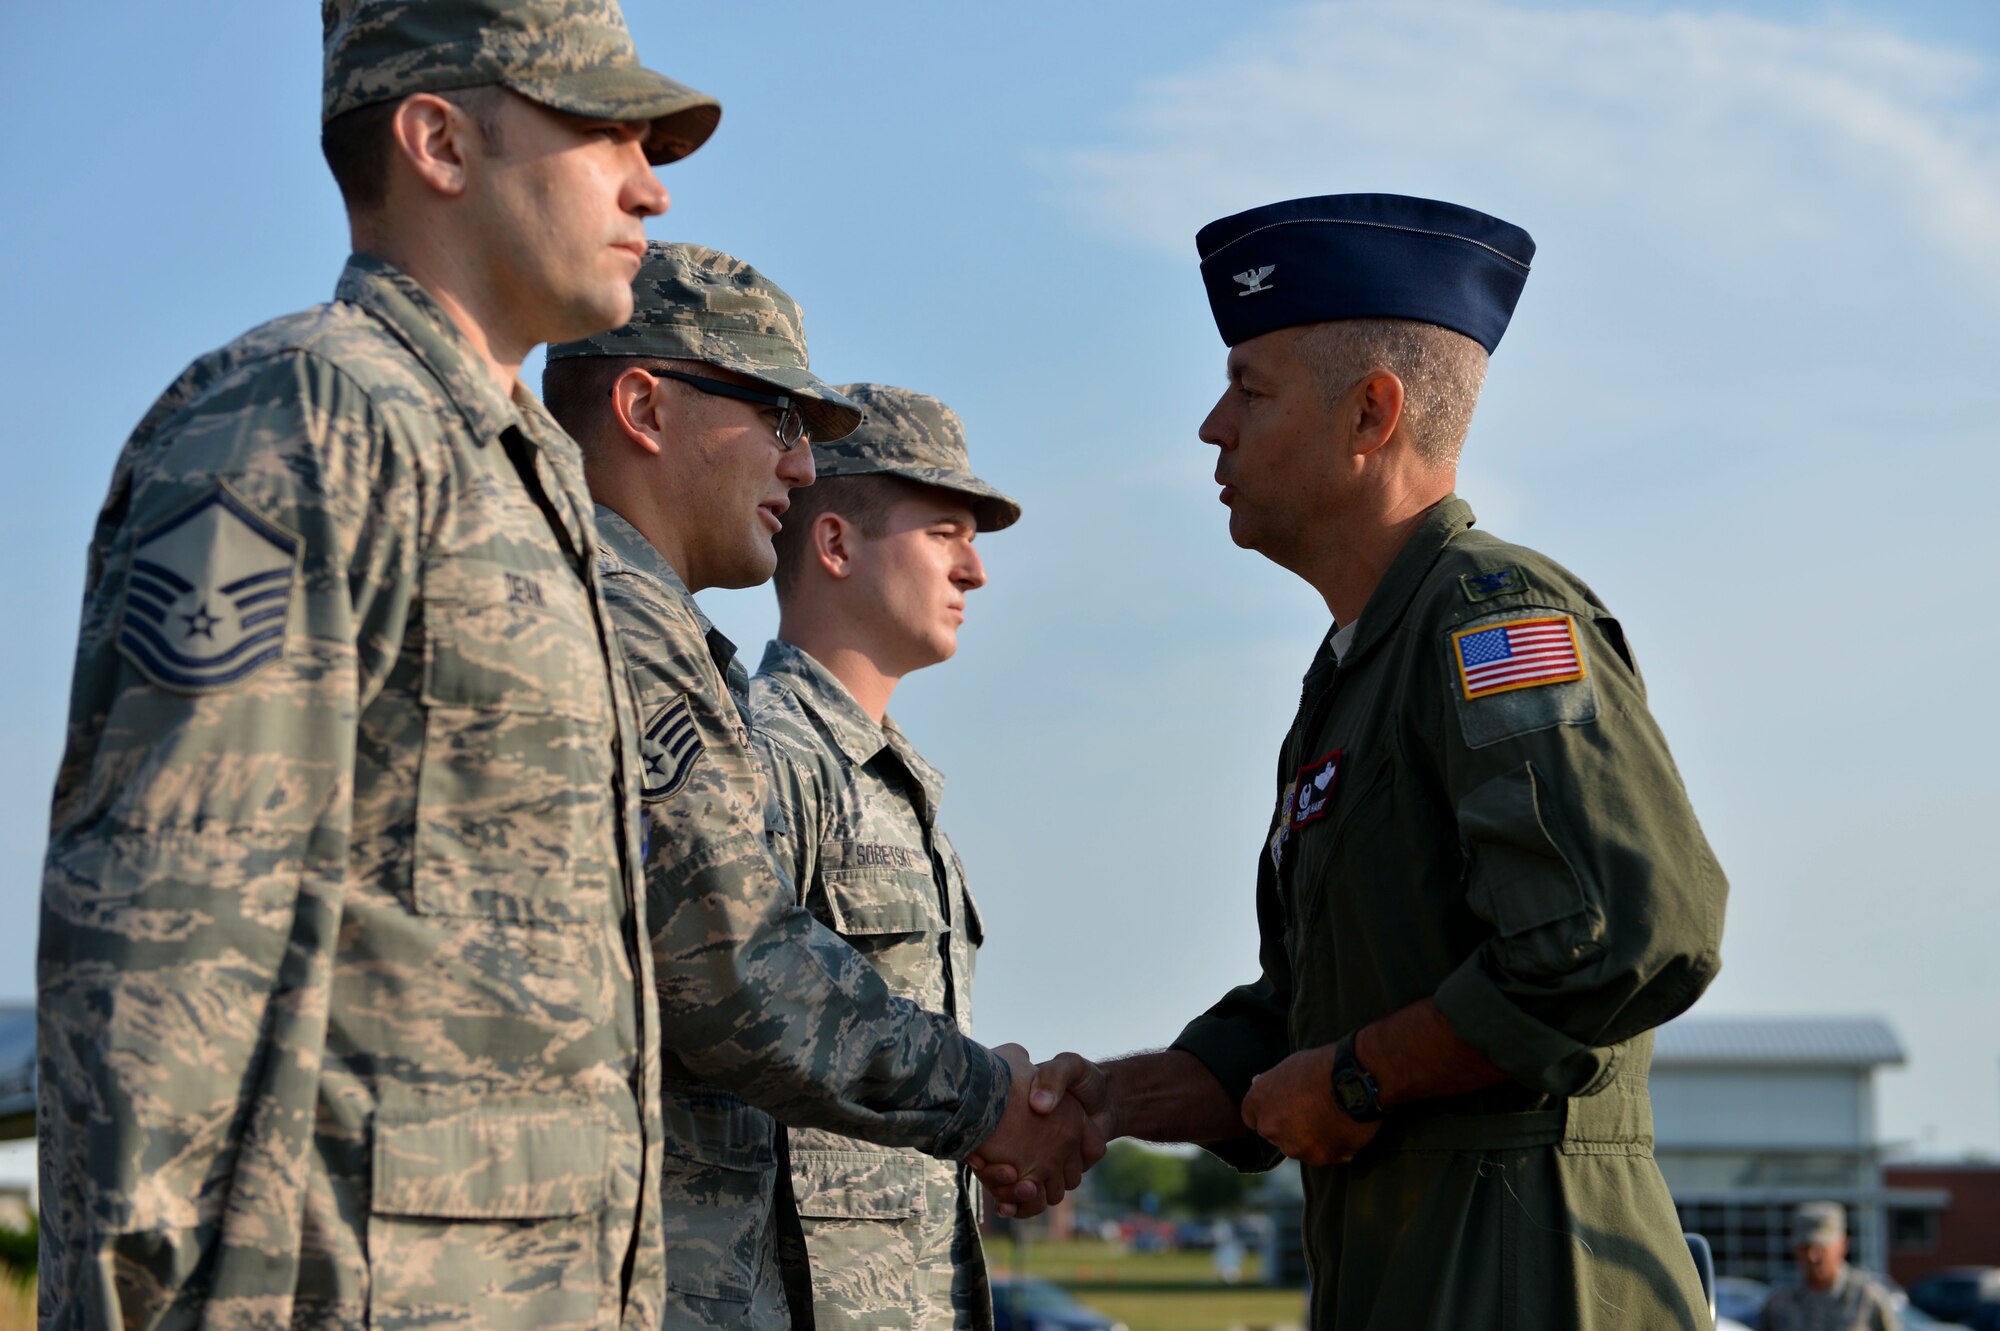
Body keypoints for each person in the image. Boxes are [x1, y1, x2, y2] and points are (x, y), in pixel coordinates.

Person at [34, 3, 720, 1329]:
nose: (651, 184)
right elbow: (169, 928)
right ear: (439, 141)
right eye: (603, 129)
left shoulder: (528, 479)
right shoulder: (301, 415)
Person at [1015, 193, 1731, 1328]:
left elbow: (1618, 933)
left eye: (1248, 389)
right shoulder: (1358, 668)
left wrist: (1356, 1077)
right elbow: (1305, 1013)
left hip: (1527, 1273)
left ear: (1370, 412)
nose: (1212, 425)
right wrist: (1109, 1100)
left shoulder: (1488, 615)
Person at [539, 244, 1095, 1329]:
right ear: (644, 405)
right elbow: (736, 968)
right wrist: (985, 1100)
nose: (796, 469)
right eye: (777, 418)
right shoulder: (614, 635)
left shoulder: (638, 636)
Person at [751, 383, 1020, 1330]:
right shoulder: (769, 756)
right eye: (945, 530)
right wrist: (1002, 1104)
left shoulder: (894, 780)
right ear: (834, 544)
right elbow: (748, 1014)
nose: (974, 570)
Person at [1759, 1203, 1899, 1331]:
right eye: (1805, 1248)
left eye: (1821, 1248)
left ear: (1843, 1245)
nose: (1812, 1256)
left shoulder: (1867, 1299)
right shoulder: (1779, 1304)